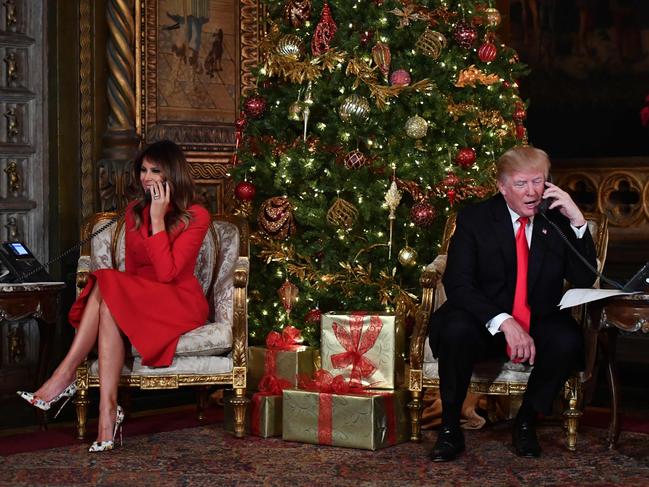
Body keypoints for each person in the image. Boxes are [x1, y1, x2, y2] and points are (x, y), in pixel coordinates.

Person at [17, 140, 210, 452]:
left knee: (106, 282)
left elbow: (166, 274)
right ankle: (107, 417)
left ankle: (65, 375)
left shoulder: (196, 216)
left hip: (178, 301)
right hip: (141, 294)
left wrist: (159, 220)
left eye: (155, 171)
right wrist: (125, 299)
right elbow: (133, 271)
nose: (147, 177)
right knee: (109, 303)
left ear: (172, 174)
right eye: (143, 170)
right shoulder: (135, 211)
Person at [428, 145, 597, 461]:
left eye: (539, 181)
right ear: (502, 186)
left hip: (538, 318)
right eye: (521, 183)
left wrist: (576, 219)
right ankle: (450, 428)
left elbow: (585, 279)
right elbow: (458, 284)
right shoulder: (475, 219)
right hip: (484, 320)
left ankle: (526, 421)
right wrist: (504, 321)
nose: (532, 191)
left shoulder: (556, 221)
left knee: (567, 339)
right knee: (454, 329)